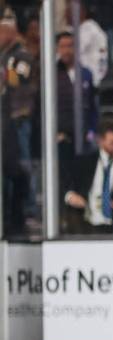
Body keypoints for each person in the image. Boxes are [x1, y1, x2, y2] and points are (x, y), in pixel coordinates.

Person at [0, 8, 38, 229]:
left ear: (9, 33)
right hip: (4, 119)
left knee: (22, 163)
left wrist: (5, 73)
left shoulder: (21, 55)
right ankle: (9, 209)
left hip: (19, 117)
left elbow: (17, 81)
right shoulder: (5, 56)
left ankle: (30, 208)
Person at [56, 31, 98, 161]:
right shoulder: (52, 75)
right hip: (61, 139)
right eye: (63, 46)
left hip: (83, 138)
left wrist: (91, 132)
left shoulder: (86, 74)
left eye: (70, 46)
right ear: (57, 49)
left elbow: (93, 106)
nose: (66, 50)